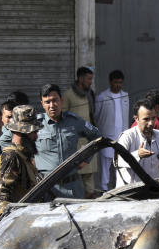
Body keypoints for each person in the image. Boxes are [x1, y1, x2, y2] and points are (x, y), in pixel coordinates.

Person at [36, 84, 100, 198]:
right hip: (46, 190)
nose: (52, 105)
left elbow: (97, 136)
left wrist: (86, 159)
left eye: (55, 100)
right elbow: (15, 142)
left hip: (72, 188)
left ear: (61, 100)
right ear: (42, 104)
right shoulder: (35, 125)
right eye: (47, 102)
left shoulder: (74, 121)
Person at [0, 105, 43, 222]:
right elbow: (2, 194)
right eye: (33, 132)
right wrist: (12, 221)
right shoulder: (12, 156)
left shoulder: (24, 156)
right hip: (20, 222)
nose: (36, 136)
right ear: (21, 133)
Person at [62, 66, 98, 194]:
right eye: (88, 79)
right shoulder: (68, 95)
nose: (90, 82)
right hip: (75, 145)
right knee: (77, 182)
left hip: (89, 142)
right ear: (81, 78)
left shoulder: (90, 94)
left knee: (90, 184)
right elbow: (63, 118)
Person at [115, 99, 159, 186]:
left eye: (153, 118)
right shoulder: (127, 136)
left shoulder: (158, 134)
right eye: (146, 119)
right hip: (132, 192)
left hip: (154, 190)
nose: (151, 123)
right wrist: (137, 154)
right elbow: (117, 161)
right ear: (136, 119)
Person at [94, 69, 130, 190]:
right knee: (105, 167)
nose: (118, 85)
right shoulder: (102, 97)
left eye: (120, 82)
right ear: (110, 82)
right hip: (107, 137)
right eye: (115, 82)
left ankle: (119, 190)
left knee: (120, 165)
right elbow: (96, 117)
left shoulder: (125, 95)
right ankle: (104, 191)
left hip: (121, 137)